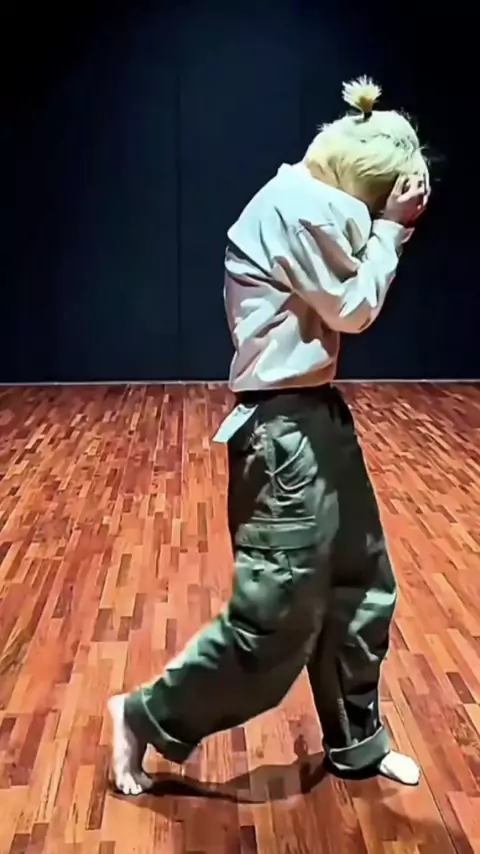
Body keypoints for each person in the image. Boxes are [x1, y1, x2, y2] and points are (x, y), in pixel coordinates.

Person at [109, 77, 430, 796]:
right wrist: (392, 230)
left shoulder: (308, 198)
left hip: (315, 413)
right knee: (276, 620)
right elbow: (354, 307)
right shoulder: (298, 210)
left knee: (361, 585)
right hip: (281, 432)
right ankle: (143, 716)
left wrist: (385, 223)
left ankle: (357, 744)